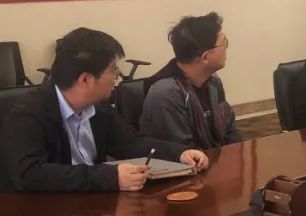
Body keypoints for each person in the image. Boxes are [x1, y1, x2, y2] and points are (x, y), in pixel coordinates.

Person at [0, 28, 208, 193]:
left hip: (90, 209)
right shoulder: (28, 114)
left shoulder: (99, 109)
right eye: (113, 71)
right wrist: (108, 177)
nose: (116, 78)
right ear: (85, 79)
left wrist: (179, 153)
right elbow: (30, 174)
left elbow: (131, 144)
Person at [141, 13, 239, 150]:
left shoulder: (213, 81)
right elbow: (182, 152)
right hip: (188, 161)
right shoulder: (165, 94)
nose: (227, 47)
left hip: (215, 158)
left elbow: (230, 132)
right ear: (205, 57)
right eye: (224, 42)